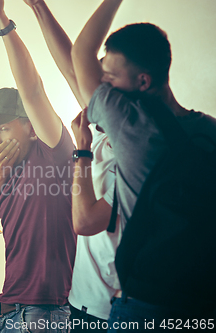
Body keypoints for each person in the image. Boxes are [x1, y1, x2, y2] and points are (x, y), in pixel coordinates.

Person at [71, 0, 216, 328]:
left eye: (109, 75)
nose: (102, 83)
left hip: (145, 304)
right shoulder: (209, 131)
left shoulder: (130, 126)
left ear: (143, 82)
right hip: (202, 303)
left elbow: (80, 53)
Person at [0, 1, 76, 331]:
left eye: (3, 127)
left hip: (48, 311)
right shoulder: (4, 170)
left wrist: (2, 22)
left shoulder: (54, 152)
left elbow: (32, 90)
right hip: (6, 310)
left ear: (29, 126)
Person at [20, 1, 121, 330]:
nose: (95, 82)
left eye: (107, 76)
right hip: (81, 303)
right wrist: (37, 6)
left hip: (110, 312)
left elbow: (87, 221)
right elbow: (71, 65)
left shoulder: (133, 154)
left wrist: (81, 153)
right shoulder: (106, 131)